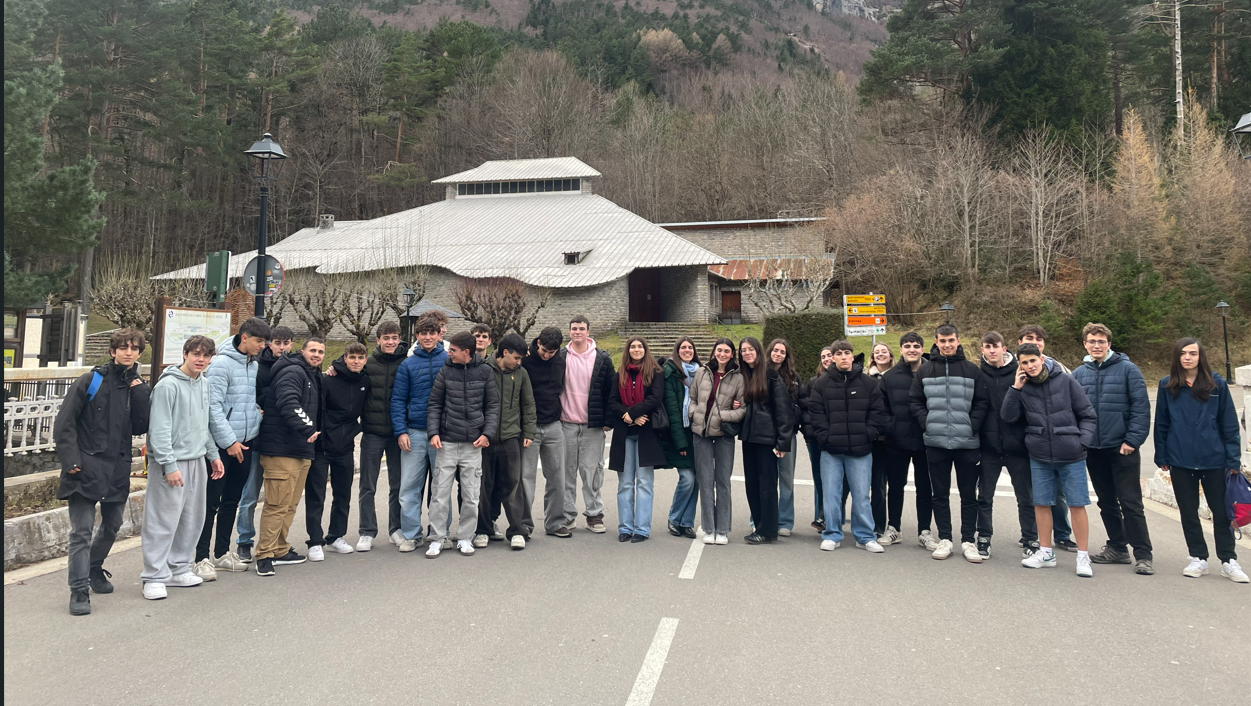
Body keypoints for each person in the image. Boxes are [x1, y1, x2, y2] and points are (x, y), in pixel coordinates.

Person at [54, 328, 150, 615]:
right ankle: (79, 590)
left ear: (139, 353)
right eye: (123, 347)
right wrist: (71, 460)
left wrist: (140, 391)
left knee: (112, 525)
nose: (128, 352)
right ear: (113, 351)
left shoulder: (137, 385)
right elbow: (64, 423)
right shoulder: (91, 380)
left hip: (117, 468)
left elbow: (141, 426)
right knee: (81, 532)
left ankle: (95, 568)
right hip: (84, 467)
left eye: (134, 348)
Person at [1153, 338, 1247, 583]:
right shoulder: (1167, 385)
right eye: (1183, 353)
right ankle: (1198, 557)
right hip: (1179, 459)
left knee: (1222, 512)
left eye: (1192, 353)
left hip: (1214, 460)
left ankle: (1228, 559)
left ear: (1200, 356)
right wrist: (1161, 455)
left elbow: (1229, 424)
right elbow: (1162, 424)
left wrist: (1233, 459)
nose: (1187, 357)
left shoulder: (1217, 384)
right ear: (1177, 357)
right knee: (1188, 512)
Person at [1003, 343, 1097, 578]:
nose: (1029, 366)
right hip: (1040, 454)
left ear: (1041, 359)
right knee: (1042, 503)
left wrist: (1082, 442)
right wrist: (1015, 388)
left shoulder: (1065, 381)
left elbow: (1087, 414)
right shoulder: (1022, 387)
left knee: (1077, 504)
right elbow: (1008, 416)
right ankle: (1046, 553)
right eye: (1024, 363)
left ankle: (1083, 556)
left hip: (1071, 454)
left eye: (1032, 361)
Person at [141, 336, 224, 600]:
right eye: (196, 354)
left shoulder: (205, 384)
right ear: (185, 354)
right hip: (171, 463)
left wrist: (213, 454)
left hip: (197, 459)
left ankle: (178, 568)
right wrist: (168, 464)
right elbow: (159, 430)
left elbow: (204, 423)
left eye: (207, 355)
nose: (201, 359)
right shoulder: (167, 386)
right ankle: (153, 576)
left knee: (192, 518)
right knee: (162, 519)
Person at [1072, 323, 1155, 575]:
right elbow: (1073, 411)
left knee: (1130, 502)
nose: (1096, 345)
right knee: (1106, 502)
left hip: (1122, 448)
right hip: (1093, 450)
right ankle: (1118, 547)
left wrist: (1132, 440)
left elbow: (1141, 409)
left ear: (1109, 343)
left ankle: (1143, 553)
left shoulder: (1128, 370)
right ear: (1085, 344)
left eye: (1101, 341)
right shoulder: (1078, 374)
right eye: (1091, 341)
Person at [908, 324, 990, 562]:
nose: (947, 345)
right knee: (939, 494)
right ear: (936, 341)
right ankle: (945, 539)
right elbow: (915, 401)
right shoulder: (924, 371)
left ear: (958, 340)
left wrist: (972, 425)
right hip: (936, 442)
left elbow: (982, 402)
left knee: (968, 495)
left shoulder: (972, 370)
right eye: (942, 341)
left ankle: (968, 541)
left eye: (951, 340)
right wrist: (927, 423)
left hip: (967, 443)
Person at [196, 317, 269, 581]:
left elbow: (244, 402)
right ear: (245, 337)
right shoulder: (221, 365)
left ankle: (221, 553)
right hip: (223, 445)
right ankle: (200, 556)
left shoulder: (252, 363)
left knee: (231, 501)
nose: (263, 346)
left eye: (264, 342)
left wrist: (256, 418)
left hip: (245, 442)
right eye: (259, 341)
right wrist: (228, 441)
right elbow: (213, 408)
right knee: (210, 502)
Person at [807, 340, 890, 553]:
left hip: (860, 450)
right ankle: (832, 534)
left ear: (853, 357)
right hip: (831, 451)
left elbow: (877, 413)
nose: (844, 356)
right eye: (839, 353)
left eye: (847, 353)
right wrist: (825, 438)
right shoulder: (821, 384)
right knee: (832, 494)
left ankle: (864, 536)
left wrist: (867, 434)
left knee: (862, 495)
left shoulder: (868, 383)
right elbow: (816, 415)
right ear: (832, 358)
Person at [253, 338, 325, 576]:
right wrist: (308, 428)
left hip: (300, 449)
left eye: (320, 352)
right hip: (281, 449)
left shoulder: (312, 374)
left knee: (289, 504)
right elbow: (288, 403)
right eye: (312, 350)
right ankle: (264, 555)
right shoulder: (293, 372)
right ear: (301, 351)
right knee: (276, 505)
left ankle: (279, 548)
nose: (316, 355)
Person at [425, 331, 500, 558]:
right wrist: (433, 432)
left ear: (466, 352)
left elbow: (493, 407)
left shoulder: (486, 372)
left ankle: (466, 537)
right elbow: (434, 405)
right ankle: (437, 538)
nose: (449, 353)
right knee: (439, 495)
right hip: (446, 443)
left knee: (471, 495)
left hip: (473, 445)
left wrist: (487, 434)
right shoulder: (445, 371)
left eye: (453, 350)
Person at [305, 343, 370, 561]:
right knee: (317, 496)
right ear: (344, 358)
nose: (356, 361)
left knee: (343, 495)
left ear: (365, 361)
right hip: (322, 446)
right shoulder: (327, 379)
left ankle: (335, 537)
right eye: (352, 357)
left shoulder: (365, 381)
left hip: (346, 446)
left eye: (360, 358)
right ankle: (315, 541)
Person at [978, 331, 1038, 558]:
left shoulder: (1020, 372)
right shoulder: (977, 374)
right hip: (988, 447)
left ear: (1004, 349)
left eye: (995, 346)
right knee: (984, 497)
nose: (991, 350)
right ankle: (983, 537)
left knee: (1026, 498)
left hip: (1017, 447)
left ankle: (1030, 539)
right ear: (982, 350)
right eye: (987, 346)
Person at [235, 325, 292, 563]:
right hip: (257, 438)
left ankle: (275, 543)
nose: (281, 347)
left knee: (278, 498)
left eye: (286, 343)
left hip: (280, 441)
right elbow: (249, 398)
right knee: (249, 494)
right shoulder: (256, 365)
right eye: (277, 343)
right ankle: (244, 541)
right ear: (269, 344)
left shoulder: (294, 366)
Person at [390, 316, 446, 552]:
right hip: (414, 432)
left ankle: (439, 533)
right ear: (417, 336)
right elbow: (398, 400)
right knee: (409, 488)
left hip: (441, 435)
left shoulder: (449, 360)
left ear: (439, 334)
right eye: (424, 333)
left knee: (440, 488)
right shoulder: (408, 365)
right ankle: (412, 535)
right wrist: (401, 431)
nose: (428, 337)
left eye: (432, 333)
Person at [352, 321, 408, 552]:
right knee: (367, 485)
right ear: (378, 340)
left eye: (394, 337)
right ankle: (367, 531)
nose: (391, 342)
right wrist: (335, 366)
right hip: (372, 433)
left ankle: (396, 529)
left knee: (398, 484)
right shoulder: (368, 363)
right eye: (386, 338)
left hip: (397, 435)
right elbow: (348, 367)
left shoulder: (406, 363)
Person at [1018, 324, 1075, 551]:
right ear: (1020, 342)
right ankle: (1031, 536)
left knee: (1057, 493)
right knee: (1029, 494)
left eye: (1039, 339)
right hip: (1022, 439)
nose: (1036, 341)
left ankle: (1062, 534)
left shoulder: (1061, 369)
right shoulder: (1013, 367)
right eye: (1030, 338)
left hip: (1053, 441)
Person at [559, 316, 616, 534]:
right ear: (570, 331)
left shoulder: (602, 358)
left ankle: (594, 515)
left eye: (582, 328)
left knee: (592, 472)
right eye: (574, 328)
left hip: (592, 426)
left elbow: (611, 390)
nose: (577, 332)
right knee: (567, 472)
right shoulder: (561, 357)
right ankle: (567, 515)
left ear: (588, 331)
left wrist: (608, 420)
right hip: (566, 424)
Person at [479, 334, 536, 550]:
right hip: (485, 438)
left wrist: (528, 431)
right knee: (484, 486)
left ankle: (516, 531)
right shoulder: (484, 370)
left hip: (512, 437)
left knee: (513, 485)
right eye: (517, 357)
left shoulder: (521, 374)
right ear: (504, 353)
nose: (519, 362)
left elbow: (528, 404)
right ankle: (483, 529)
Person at [738, 337, 795, 545]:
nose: (746, 353)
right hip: (749, 438)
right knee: (752, 484)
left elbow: (783, 411)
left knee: (767, 485)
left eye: (750, 349)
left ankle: (769, 530)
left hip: (767, 439)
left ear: (758, 351)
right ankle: (759, 525)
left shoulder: (770, 376)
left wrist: (782, 443)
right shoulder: (744, 374)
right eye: (743, 350)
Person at [608, 337, 666, 543]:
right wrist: (628, 415)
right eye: (632, 346)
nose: (636, 349)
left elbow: (655, 398)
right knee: (625, 484)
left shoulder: (655, 373)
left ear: (645, 349)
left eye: (640, 346)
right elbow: (613, 401)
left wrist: (632, 413)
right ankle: (625, 527)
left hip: (646, 433)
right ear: (628, 350)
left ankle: (641, 528)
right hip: (624, 435)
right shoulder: (619, 375)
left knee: (644, 483)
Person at [878, 333, 932, 549]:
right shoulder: (889, 378)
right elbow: (881, 409)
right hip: (896, 442)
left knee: (925, 487)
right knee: (896, 487)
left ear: (922, 349)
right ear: (900, 350)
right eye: (907, 346)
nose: (912, 349)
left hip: (926, 440)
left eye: (916, 346)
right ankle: (894, 528)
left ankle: (925, 531)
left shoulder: (932, 373)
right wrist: (891, 427)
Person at [690, 338, 746, 545]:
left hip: (724, 434)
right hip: (701, 433)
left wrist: (723, 416)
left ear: (732, 354)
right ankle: (708, 528)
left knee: (723, 481)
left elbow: (743, 408)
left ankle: (722, 529)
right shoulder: (701, 372)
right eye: (719, 350)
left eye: (727, 351)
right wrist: (694, 414)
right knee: (705, 481)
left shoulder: (738, 377)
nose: (722, 354)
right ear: (714, 352)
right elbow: (693, 398)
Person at [520, 327, 570, 537]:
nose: (548, 354)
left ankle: (555, 522)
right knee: (525, 478)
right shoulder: (525, 359)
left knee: (557, 477)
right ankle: (523, 524)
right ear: (538, 342)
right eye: (545, 350)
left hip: (553, 425)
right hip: (529, 427)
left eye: (552, 351)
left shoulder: (560, 360)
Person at [660, 338, 700, 539]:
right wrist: (681, 443)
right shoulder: (670, 373)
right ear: (676, 351)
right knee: (687, 478)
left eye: (690, 347)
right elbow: (673, 411)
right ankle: (674, 518)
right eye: (683, 347)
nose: (687, 350)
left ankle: (687, 522)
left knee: (698, 480)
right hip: (680, 433)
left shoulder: (700, 372)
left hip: (699, 433)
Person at [765, 339, 802, 537]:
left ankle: (785, 521)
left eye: (782, 352)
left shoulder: (793, 377)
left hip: (788, 434)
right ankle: (762, 518)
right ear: (770, 351)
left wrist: (794, 418)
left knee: (786, 479)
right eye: (776, 350)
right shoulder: (760, 373)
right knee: (766, 478)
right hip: (765, 434)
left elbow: (800, 401)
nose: (778, 354)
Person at [800, 347, 834, 532]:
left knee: (836, 480)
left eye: (829, 355)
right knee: (819, 479)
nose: (827, 359)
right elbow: (807, 412)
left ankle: (831, 515)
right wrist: (809, 436)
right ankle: (820, 516)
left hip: (837, 438)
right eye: (823, 357)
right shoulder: (813, 383)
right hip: (816, 439)